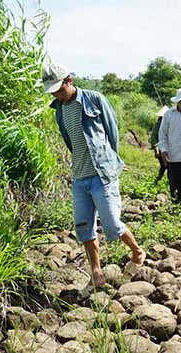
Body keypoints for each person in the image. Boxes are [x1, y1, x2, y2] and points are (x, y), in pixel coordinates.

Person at [43, 62, 145, 289]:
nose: (57, 95)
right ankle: (96, 273)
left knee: (112, 225)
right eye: (53, 92)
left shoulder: (94, 99)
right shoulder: (59, 110)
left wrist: (111, 161)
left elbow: (112, 131)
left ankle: (137, 252)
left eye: (59, 89)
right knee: (83, 228)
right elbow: (70, 142)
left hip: (102, 174)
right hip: (80, 177)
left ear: (69, 80)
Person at [149, 106, 169, 182]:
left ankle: (159, 180)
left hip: (167, 148)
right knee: (165, 165)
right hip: (160, 147)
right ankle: (160, 180)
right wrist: (156, 148)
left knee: (166, 165)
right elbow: (153, 137)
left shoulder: (169, 124)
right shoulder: (158, 124)